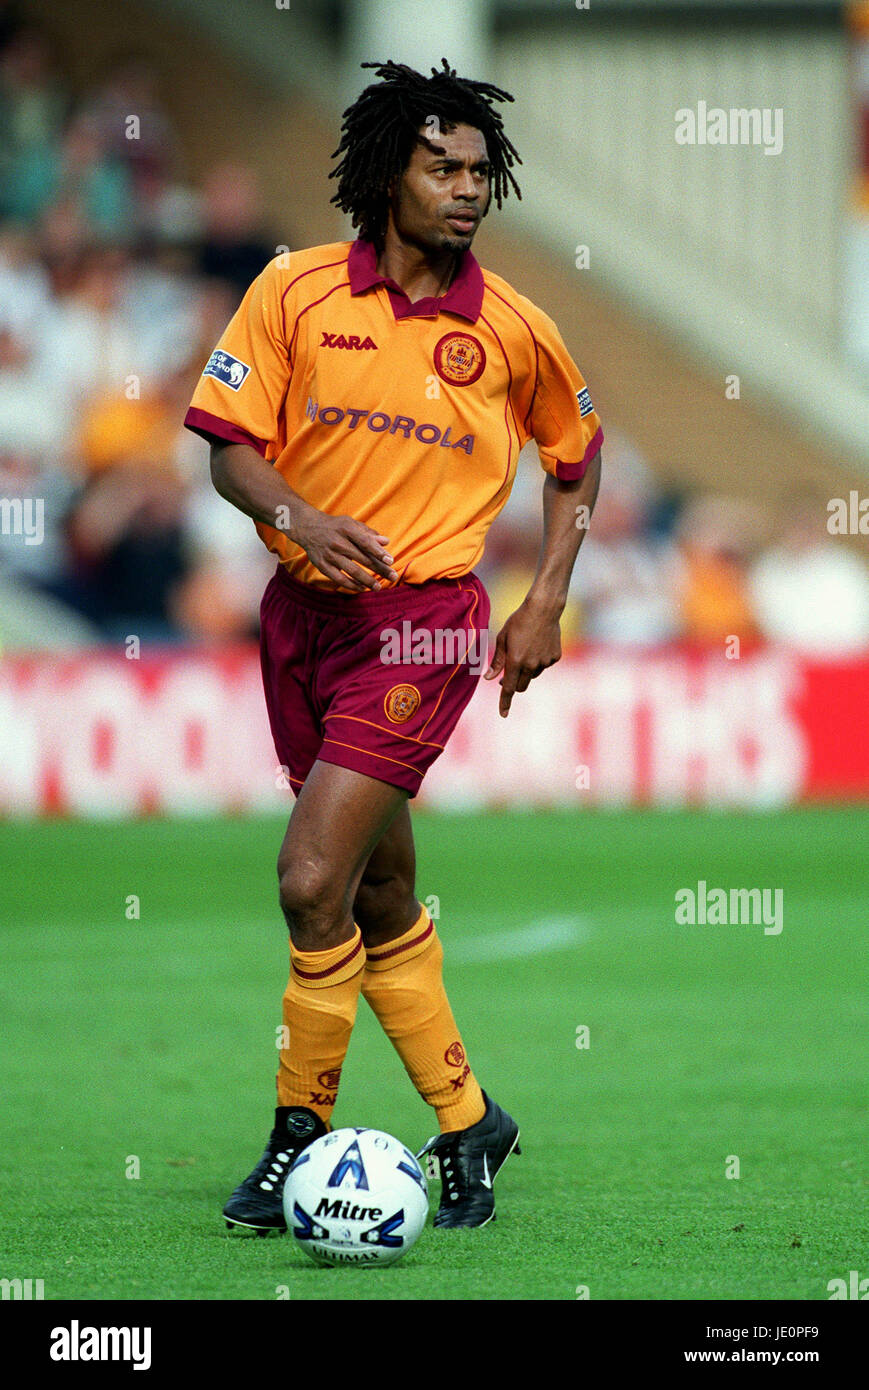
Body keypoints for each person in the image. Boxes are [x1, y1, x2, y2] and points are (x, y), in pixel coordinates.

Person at [184, 58, 603, 1235]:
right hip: (301, 614)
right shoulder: (293, 293)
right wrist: (295, 516)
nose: (467, 190)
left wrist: (544, 598)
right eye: (442, 168)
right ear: (387, 175)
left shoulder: (513, 328)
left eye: (480, 172)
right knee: (376, 886)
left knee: (309, 877)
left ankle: (294, 1135)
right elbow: (225, 445)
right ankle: (469, 1122)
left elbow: (577, 459)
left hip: (421, 624)